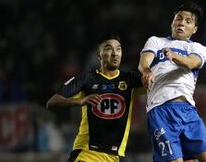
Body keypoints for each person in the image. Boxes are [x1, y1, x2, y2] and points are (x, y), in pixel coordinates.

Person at [46, 33, 145, 162]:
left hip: (113, 157)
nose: (115, 53)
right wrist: (80, 101)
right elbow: (52, 102)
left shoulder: (131, 79)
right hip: (87, 154)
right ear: (98, 55)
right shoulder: (86, 80)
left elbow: (159, 82)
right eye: (108, 48)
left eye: (118, 49)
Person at [138, 3, 206, 162]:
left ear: (194, 29)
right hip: (160, 110)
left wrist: (174, 56)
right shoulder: (156, 41)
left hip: (188, 111)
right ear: (172, 22)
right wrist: (146, 70)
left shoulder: (198, 48)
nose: (182, 23)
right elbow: (144, 62)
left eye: (188, 21)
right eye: (178, 19)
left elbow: (191, 63)